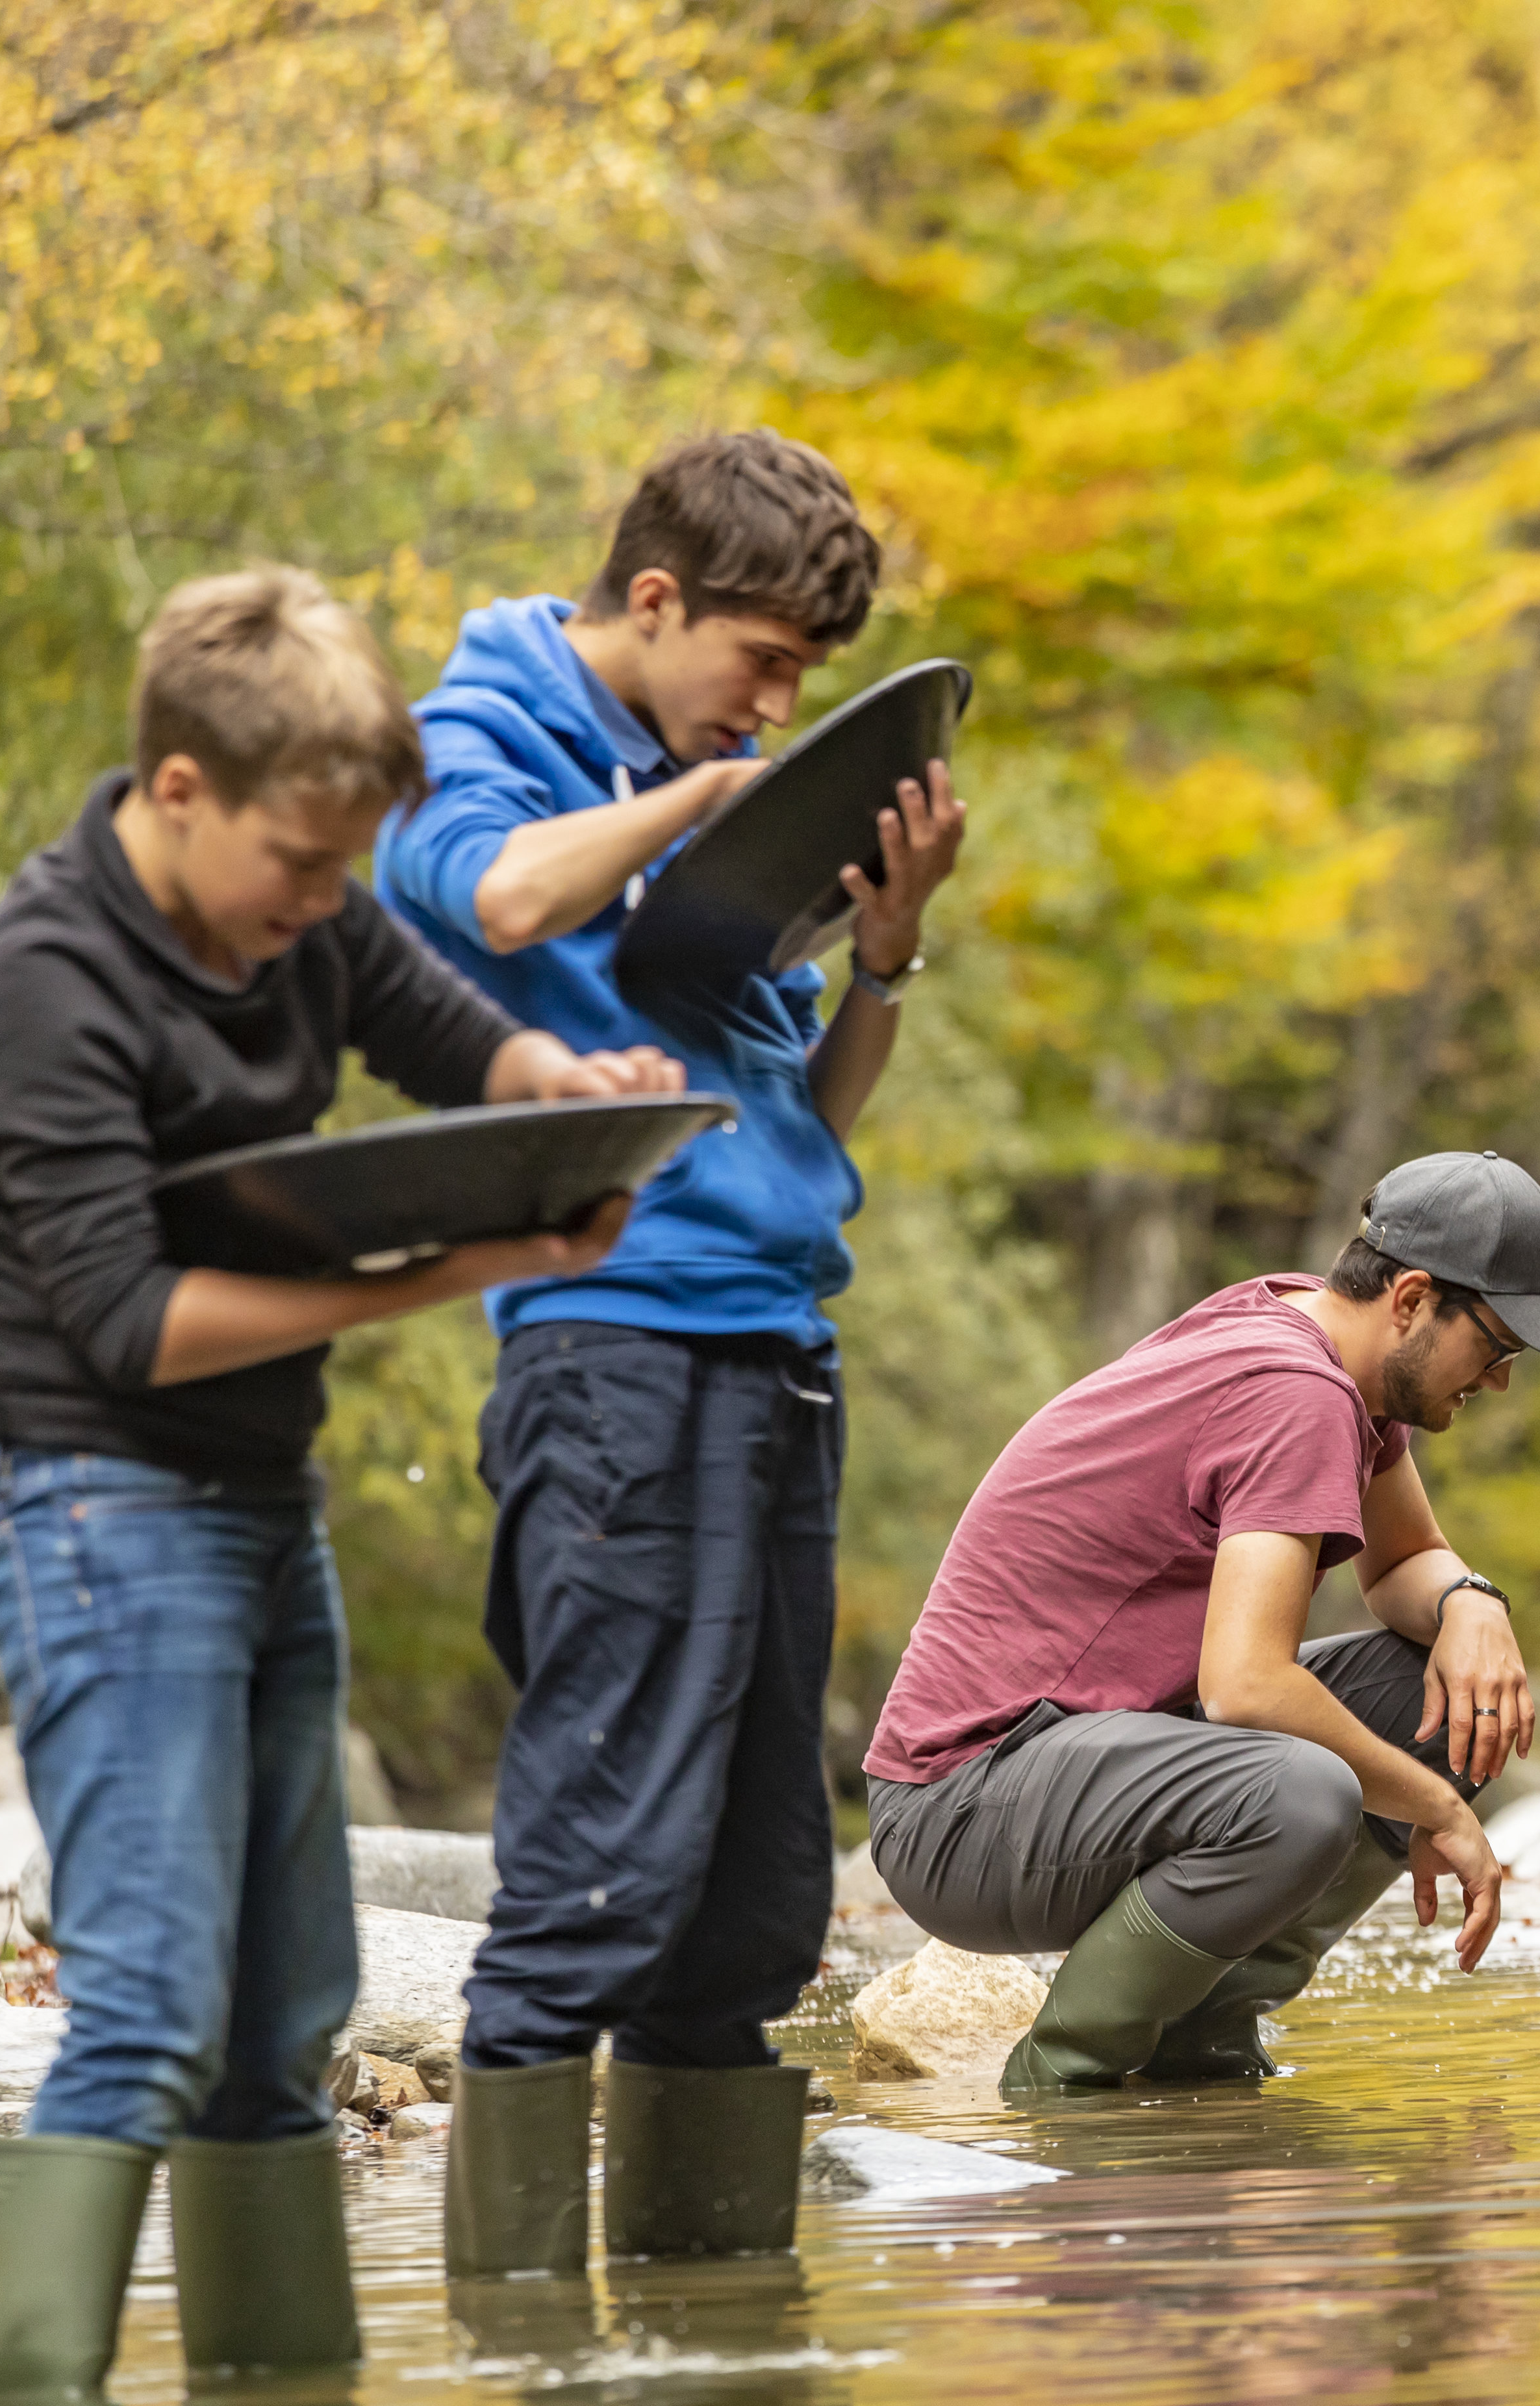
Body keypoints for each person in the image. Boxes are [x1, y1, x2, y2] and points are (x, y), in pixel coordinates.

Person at [0, 566, 682, 2394]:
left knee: (283, 2024)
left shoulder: (302, 914)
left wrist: (564, 1085)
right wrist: (447, 1271)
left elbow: (444, 1031)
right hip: (90, 1511)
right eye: (299, 862)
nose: (325, 906)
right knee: (152, 2006)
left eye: (348, 869)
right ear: (178, 788)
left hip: (263, 1518)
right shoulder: (46, 987)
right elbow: (124, 1321)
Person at [376, 431, 970, 2277]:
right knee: (605, 1848)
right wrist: (700, 803)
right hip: (615, 1353)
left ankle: (726, 2378)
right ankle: (524, 2353)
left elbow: (812, 1112)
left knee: (755, 1883)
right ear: (655, 601)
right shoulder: (476, 733)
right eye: (763, 663)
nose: (775, 707)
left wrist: (881, 956)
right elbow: (486, 902)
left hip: (781, 1351)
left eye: (801, 677)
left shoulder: (705, 785)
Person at [863, 1152, 1540, 2089]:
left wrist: (1471, 1602)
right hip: (960, 1806)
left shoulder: (1313, 1338)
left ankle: (1201, 2051)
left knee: (1451, 1691)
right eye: (1497, 1347)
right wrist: (1439, 1807)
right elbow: (1247, 1688)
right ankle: (1060, 2083)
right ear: (1411, 1300)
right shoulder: (1294, 1392)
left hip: (1073, 1762)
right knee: (1303, 1792)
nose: (1499, 1381)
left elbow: (1407, 1565)